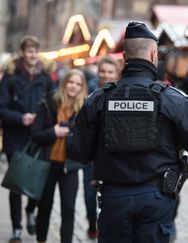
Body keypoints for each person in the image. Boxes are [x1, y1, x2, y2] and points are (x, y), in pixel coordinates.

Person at [67, 22, 188, 243]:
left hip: (114, 197)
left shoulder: (98, 99)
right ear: (154, 54)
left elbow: (78, 151)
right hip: (156, 197)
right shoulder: (172, 99)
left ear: (125, 56)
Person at [0, 35, 55, 243]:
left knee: (36, 180)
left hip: (38, 138)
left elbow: (54, 104)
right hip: (15, 137)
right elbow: (1, 108)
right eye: (29, 51)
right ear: (22, 52)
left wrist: (42, 120)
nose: (32, 54)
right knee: (16, 184)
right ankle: (16, 228)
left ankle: (30, 210)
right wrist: (21, 118)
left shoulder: (46, 77)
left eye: (35, 50)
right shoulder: (11, 76)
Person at [30, 69, 88, 243]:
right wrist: (53, 132)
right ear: (64, 83)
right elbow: (35, 134)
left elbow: (87, 139)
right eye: (71, 82)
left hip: (69, 167)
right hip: (47, 165)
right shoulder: (49, 102)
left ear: (82, 88)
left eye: (78, 84)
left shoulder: (84, 108)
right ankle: (41, 239)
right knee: (44, 207)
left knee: (69, 209)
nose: (73, 86)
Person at [82, 56, 121, 239]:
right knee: (90, 196)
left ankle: (108, 227)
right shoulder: (89, 90)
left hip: (112, 154)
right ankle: (92, 225)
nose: (105, 75)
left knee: (110, 196)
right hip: (91, 152)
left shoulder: (122, 92)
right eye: (103, 71)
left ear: (117, 74)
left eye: (110, 72)